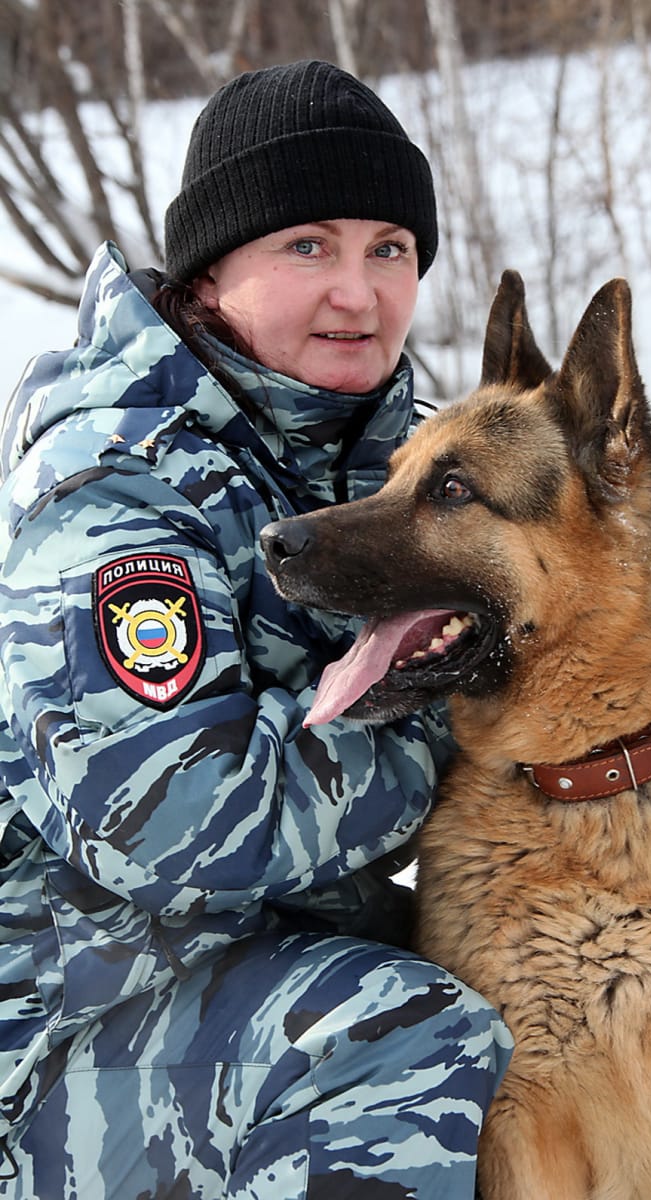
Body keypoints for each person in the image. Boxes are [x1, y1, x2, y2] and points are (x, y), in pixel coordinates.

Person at [0, 59, 511, 1198]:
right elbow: (169, 822)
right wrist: (441, 725)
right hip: (63, 1044)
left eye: (389, 249)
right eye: (308, 247)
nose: (358, 295)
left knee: (578, 1012)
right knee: (395, 1037)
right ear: (210, 272)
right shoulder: (115, 484)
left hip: (250, 984)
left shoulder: (394, 461)